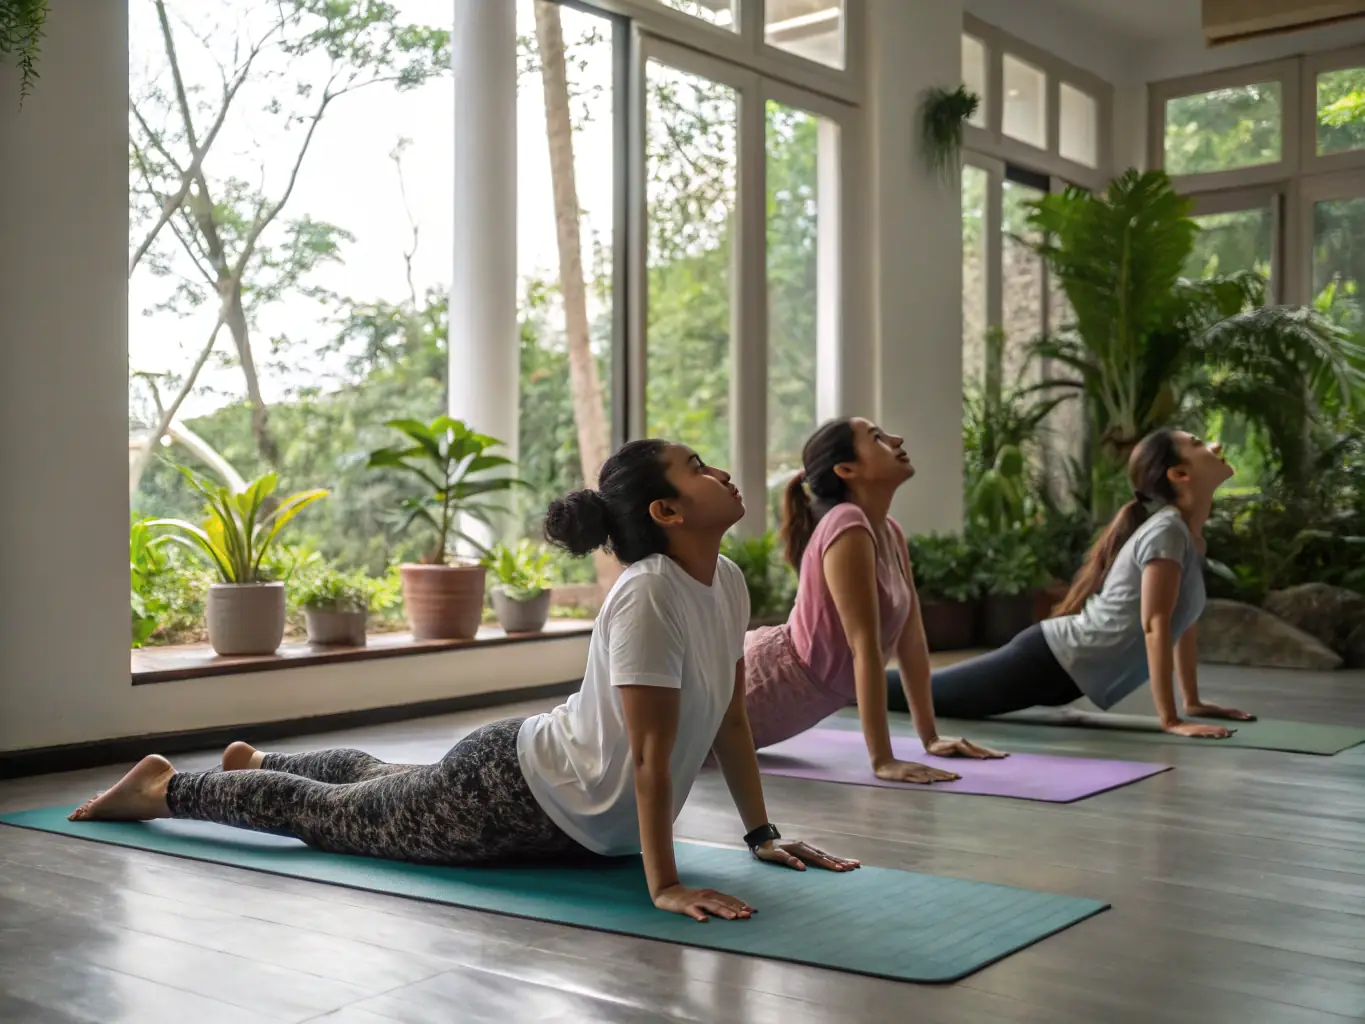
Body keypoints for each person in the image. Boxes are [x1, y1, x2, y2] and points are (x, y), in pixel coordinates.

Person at [69, 439, 859, 922]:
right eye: (696, 467)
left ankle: (261, 762)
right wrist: (665, 887)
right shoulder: (649, 595)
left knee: (374, 782)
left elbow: (729, 722)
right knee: (333, 818)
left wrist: (759, 835)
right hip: (515, 793)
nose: (720, 471)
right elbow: (652, 761)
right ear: (665, 510)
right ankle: (164, 789)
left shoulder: (721, 580)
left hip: (545, 788)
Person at [887, 429, 1255, 739]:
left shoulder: (1189, 538)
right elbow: (1154, 624)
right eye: (1198, 443)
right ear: (1179, 474)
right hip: (1048, 659)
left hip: (1064, 672)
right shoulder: (1167, 532)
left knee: (919, 691)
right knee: (912, 693)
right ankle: (841, 677)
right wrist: (1171, 720)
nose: (1215, 447)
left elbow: (1180, 624)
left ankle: (848, 680)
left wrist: (1192, 702)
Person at [742, 417, 1004, 784]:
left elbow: (912, 638)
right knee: (667, 746)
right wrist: (883, 760)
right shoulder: (846, 524)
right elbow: (862, 645)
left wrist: (930, 736)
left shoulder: (889, 531)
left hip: (783, 696)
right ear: (847, 469)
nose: (897, 439)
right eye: (878, 438)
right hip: (756, 685)